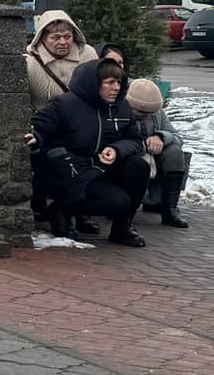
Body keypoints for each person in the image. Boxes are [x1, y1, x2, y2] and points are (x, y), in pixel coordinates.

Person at [30, 57, 149, 247]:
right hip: (72, 169)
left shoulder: (122, 107)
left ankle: (122, 228)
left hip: (103, 168)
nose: (116, 87)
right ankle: (61, 211)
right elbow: (40, 126)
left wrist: (117, 150)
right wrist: (35, 137)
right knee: (115, 201)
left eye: (119, 82)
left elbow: (135, 139)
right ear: (95, 83)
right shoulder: (65, 103)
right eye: (110, 82)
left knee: (138, 167)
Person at [125, 78, 190, 229]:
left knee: (175, 151)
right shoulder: (119, 110)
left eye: (151, 112)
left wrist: (161, 137)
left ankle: (169, 209)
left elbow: (178, 137)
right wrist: (144, 145)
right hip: (130, 157)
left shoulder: (158, 113)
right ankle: (126, 210)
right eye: (142, 112)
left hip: (155, 156)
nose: (147, 116)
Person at [25, 11, 93, 107]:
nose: (63, 42)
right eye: (55, 37)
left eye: (67, 36)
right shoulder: (30, 62)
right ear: (42, 38)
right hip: (46, 120)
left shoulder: (88, 55)